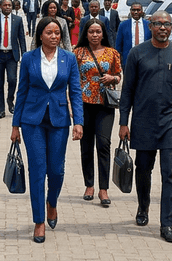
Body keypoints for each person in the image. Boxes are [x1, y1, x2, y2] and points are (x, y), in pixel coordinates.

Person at [118, 11, 172, 243]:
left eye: (167, 24)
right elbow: (127, 90)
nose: (163, 28)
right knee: (143, 169)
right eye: (159, 24)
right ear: (150, 26)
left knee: (170, 173)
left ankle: (167, 224)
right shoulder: (137, 53)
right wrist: (123, 121)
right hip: (143, 119)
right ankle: (143, 207)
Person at [10, 16, 84, 244]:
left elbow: (75, 92)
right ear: (40, 35)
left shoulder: (69, 59)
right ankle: (39, 221)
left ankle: (52, 203)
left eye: (57, 33)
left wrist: (78, 121)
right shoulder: (29, 58)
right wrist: (15, 125)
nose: (54, 37)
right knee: (37, 170)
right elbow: (21, 93)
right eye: (49, 33)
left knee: (57, 170)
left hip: (59, 120)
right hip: (32, 121)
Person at [73, 18, 121, 208]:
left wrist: (113, 77)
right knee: (86, 146)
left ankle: (104, 189)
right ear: (86, 33)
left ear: (103, 34)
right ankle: (89, 185)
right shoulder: (77, 53)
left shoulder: (112, 53)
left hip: (105, 104)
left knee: (103, 144)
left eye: (98, 32)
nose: (94, 35)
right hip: (83, 104)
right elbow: (71, 79)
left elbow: (119, 75)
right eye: (91, 32)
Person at [0, 0, 27, 118]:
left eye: (9, 5)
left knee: (13, 80)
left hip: (11, 55)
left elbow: (22, 40)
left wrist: (25, 55)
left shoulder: (17, 20)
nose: (7, 7)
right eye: (5, 5)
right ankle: (1, 109)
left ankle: (10, 99)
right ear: (0, 6)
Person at [114, 2, 151, 71]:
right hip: (128, 60)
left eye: (138, 10)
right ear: (130, 11)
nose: (136, 12)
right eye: (133, 10)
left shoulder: (148, 25)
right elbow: (118, 44)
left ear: (142, 11)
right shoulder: (123, 25)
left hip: (145, 59)